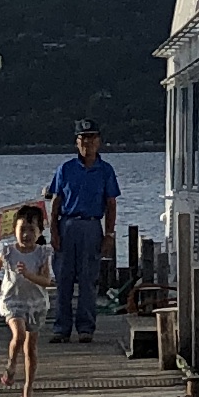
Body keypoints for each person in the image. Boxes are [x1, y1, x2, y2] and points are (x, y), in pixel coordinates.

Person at [46, 119, 121, 343]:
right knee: (63, 279)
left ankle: (86, 327)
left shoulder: (105, 170)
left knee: (88, 280)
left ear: (99, 141)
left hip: (91, 225)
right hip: (67, 224)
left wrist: (109, 234)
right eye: (83, 138)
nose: (87, 142)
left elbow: (111, 203)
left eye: (92, 137)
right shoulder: (65, 169)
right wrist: (54, 232)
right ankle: (61, 328)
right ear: (77, 142)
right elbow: (56, 201)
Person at [0, 201, 54, 397]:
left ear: (40, 231)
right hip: (13, 301)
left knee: (31, 349)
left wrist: (28, 275)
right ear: (14, 230)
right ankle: (11, 365)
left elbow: (46, 281)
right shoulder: (8, 251)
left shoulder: (42, 253)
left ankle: (28, 391)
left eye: (31, 230)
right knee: (19, 334)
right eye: (21, 229)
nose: (26, 234)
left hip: (35, 303)